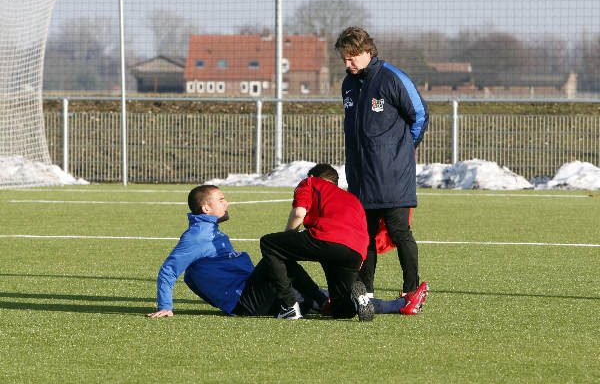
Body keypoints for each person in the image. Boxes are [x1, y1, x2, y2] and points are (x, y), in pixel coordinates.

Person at [258, 163, 428, 321]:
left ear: (312, 176)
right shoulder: (351, 199)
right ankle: (400, 304)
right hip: (354, 252)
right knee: (341, 309)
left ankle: (289, 306)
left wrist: (288, 237)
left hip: (328, 238)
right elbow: (364, 234)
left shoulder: (310, 182)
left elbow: (299, 214)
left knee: (269, 244)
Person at [334, 26, 429, 299]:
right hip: (361, 176)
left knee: (400, 232)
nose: (347, 64)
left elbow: (420, 116)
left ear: (367, 51)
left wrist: (401, 150)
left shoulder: (392, 78)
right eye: (344, 59)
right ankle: (365, 292)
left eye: (351, 58)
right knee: (364, 237)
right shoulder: (348, 84)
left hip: (393, 175)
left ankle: (412, 289)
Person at [147, 185, 328, 319]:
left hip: (254, 292)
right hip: (243, 302)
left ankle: (334, 301)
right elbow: (169, 270)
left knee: (310, 303)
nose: (227, 203)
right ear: (206, 209)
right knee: (276, 255)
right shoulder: (196, 237)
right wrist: (165, 306)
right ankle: (323, 300)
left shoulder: (211, 230)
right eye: (221, 199)